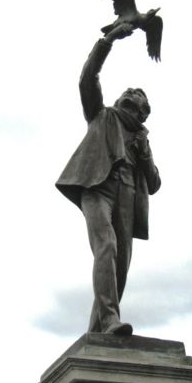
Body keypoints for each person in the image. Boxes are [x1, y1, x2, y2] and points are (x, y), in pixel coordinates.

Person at [56, 23, 161, 335]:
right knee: (107, 246)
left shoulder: (142, 136)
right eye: (129, 91)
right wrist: (109, 40)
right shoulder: (102, 115)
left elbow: (154, 184)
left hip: (128, 194)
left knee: (120, 267)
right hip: (98, 187)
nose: (131, 92)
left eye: (138, 94)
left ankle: (98, 331)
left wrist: (144, 154)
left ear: (143, 111)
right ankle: (112, 319)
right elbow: (89, 78)